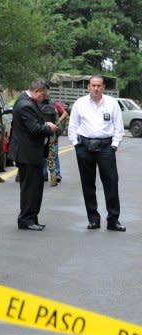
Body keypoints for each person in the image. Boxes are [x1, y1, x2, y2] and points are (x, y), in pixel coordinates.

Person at [68, 76, 126, 232]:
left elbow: (118, 127)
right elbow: (73, 125)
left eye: (99, 86)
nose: (96, 88)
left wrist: (114, 146)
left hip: (106, 147)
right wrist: (76, 145)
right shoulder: (80, 104)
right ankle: (93, 219)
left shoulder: (112, 103)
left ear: (103, 87)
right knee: (88, 184)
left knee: (111, 183)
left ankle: (113, 220)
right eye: (93, 85)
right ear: (88, 87)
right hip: (84, 147)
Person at [8, 79, 57, 231]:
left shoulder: (25, 100)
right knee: (30, 188)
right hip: (27, 153)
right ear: (36, 92)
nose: (44, 98)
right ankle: (26, 220)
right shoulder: (25, 105)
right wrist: (49, 128)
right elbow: (35, 129)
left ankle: (32, 217)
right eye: (43, 95)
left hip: (30, 152)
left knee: (35, 187)